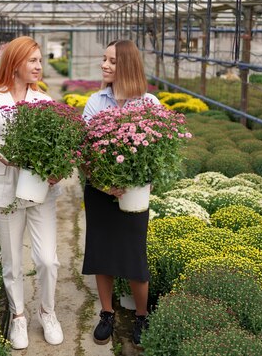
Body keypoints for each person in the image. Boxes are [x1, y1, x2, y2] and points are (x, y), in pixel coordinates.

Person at [0, 36, 64, 350]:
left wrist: (57, 169)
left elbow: (55, 150)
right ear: (15, 63)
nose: (39, 66)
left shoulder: (44, 102)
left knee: (48, 261)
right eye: (33, 61)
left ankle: (48, 313)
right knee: (12, 261)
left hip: (39, 190)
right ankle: (19, 317)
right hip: (3, 189)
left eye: (40, 61)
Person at [82, 40, 160, 346]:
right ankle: (107, 314)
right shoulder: (95, 101)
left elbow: (156, 152)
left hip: (134, 194)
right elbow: (84, 152)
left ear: (126, 65)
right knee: (101, 254)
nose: (104, 65)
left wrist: (139, 180)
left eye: (112, 61)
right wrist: (103, 182)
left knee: (133, 257)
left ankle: (141, 316)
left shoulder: (148, 104)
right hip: (100, 191)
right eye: (104, 59)